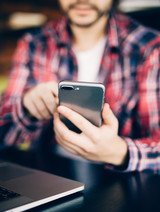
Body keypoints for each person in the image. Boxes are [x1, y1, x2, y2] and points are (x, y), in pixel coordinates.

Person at [0, 0, 160, 173]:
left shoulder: (149, 48)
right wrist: (25, 105)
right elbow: (4, 136)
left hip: (118, 182)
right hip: (50, 174)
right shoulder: (34, 44)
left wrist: (119, 152)